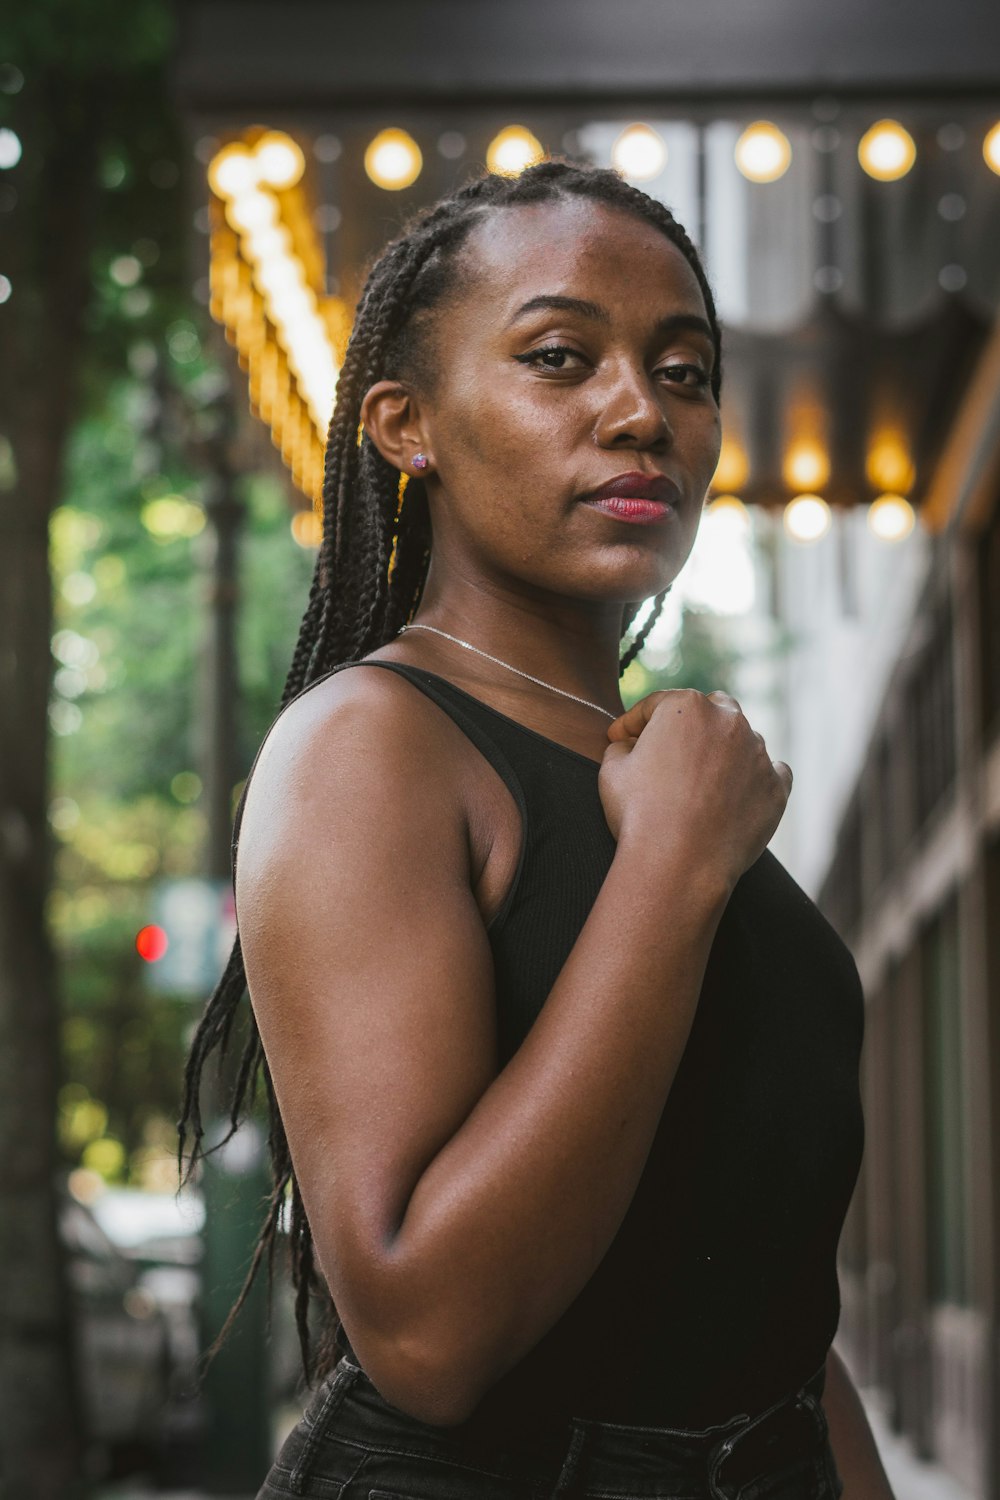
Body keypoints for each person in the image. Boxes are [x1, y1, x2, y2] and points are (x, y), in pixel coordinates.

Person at [178, 159, 896, 1499]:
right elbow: (424, 1333)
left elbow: (772, 1310)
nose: (641, 412)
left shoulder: (661, 770)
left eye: (684, 373)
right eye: (561, 358)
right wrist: (674, 869)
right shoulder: (372, 744)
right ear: (407, 425)